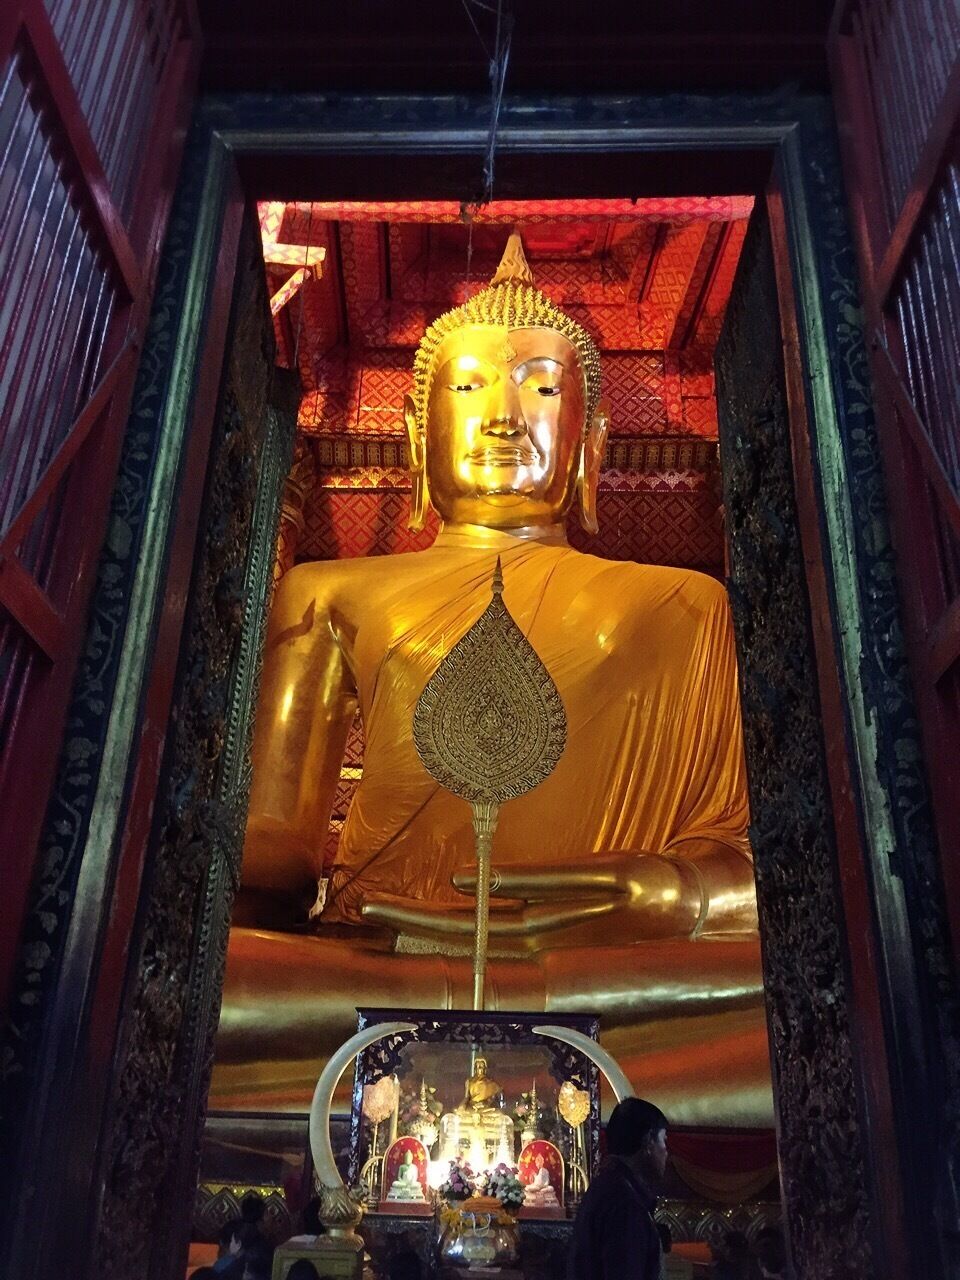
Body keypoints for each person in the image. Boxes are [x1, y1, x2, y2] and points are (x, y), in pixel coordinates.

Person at [568, 1096, 669, 1280]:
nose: (666, 1151)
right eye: (663, 1140)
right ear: (648, 1141)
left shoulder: (608, 1185)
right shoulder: (624, 1204)